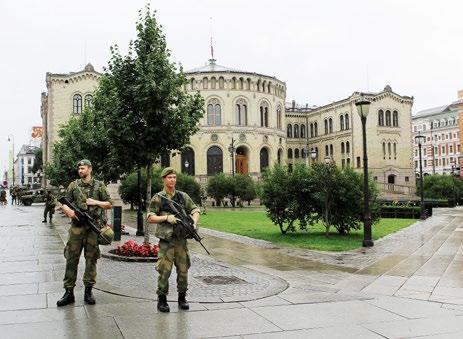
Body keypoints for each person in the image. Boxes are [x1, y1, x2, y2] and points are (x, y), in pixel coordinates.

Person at [57, 159, 112, 307]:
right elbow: (63, 202)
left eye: (83, 168)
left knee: (91, 259)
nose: (80, 171)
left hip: (92, 228)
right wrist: (68, 211)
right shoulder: (73, 185)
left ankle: (88, 291)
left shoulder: (99, 185)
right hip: (76, 228)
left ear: (90, 169)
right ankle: (69, 292)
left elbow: (109, 203)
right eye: (79, 169)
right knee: (71, 258)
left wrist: (95, 202)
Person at [147, 167, 200, 313]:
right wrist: (166, 218)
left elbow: (195, 210)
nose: (172, 180)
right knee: (165, 270)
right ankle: (162, 299)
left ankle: (182, 297)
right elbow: (150, 218)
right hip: (167, 241)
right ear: (164, 179)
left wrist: (194, 222)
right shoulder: (158, 198)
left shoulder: (182, 196)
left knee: (183, 270)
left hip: (181, 241)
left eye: (174, 177)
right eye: (169, 177)